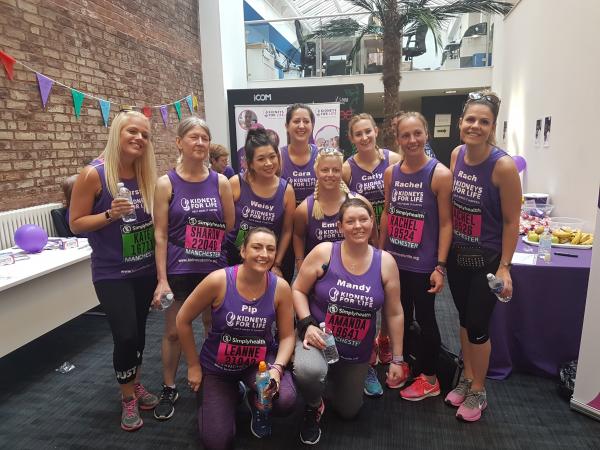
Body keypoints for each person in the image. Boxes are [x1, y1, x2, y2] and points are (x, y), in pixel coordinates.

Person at [292, 198, 409, 445]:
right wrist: (307, 324)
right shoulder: (324, 252)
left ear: (372, 222)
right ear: (340, 226)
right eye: (350, 221)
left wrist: (397, 359)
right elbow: (298, 290)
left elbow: (395, 312)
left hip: (357, 350)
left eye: (363, 219)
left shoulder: (385, 262)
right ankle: (314, 403)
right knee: (308, 372)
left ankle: (343, 377)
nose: (358, 226)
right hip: (319, 339)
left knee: (348, 412)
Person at [69, 110, 159, 431]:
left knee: (140, 335)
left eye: (145, 134)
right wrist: (110, 214)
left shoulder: (146, 174)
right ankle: (127, 398)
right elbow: (75, 223)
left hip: (145, 270)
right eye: (132, 131)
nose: (139, 138)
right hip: (112, 274)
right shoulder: (93, 174)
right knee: (125, 335)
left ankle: (135, 383)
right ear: (117, 133)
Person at [176, 227, 297, 449]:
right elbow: (182, 319)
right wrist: (193, 365)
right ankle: (232, 393)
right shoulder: (218, 280)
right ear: (243, 251)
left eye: (270, 249)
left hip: (258, 365)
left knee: (285, 400)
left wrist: (277, 369)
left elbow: (288, 336)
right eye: (257, 247)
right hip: (218, 369)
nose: (264, 254)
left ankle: (255, 401)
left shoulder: (280, 287)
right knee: (217, 442)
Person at [444, 91, 521, 422]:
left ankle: (479, 390)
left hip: (487, 258)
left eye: (484, 122)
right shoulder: (457, 154)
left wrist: (505, 267)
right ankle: (467, 377)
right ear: (461, 122)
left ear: (492, 127)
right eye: (471, 119)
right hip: (458, 254)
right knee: (463, 319)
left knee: (478, 324)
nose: (476, 126)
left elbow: (512, 221)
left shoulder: (502, 166)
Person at [152, 117, 235, 421]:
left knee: (213, 326)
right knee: (174, 331)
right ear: (179, 143)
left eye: (204, 138)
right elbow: (160, 234)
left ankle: (212, 378)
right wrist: (161, 279)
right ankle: (169, 386)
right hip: (179, 270)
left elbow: (229, 225)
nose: (199, 143)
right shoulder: (166, 183)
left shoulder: (221, 182)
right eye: (193, 137)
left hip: (213, 269)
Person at [379, 111, 453, 401]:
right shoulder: (391, 173)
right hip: (395, 261)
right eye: (405, 135)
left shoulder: (440, 174)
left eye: (417, 133)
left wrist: (440, 266)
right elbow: (387, 213)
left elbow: (446, 224)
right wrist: (380, 253)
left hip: (423, 265)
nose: (412, 140)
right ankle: (408, 363)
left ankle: (430, 378)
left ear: (426, 134)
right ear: (397, 139)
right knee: (401, 316)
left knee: (425, 318)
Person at [343, 113, 401, 388]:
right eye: (358, 133)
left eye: (368, 131)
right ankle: (369, 344)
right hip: (363, 236)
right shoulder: (347, 168)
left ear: (376, 131)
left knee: (391, 291)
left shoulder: (393, 159)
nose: (364, 137)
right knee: (366, 292)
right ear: (351, 138)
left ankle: (385, 338)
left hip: (393, 233)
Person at [293, 147, 376, 272]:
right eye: (325, 170)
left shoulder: (360, 203)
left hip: (355, 270)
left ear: (342, 171)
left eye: (336, 170)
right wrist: (300, 262)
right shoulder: (305, 209)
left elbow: (373, 238)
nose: (330, 174)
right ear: (316, 171)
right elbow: (298, 235)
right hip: (319, 274)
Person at [228, 128, 296, 281]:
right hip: (235, 258)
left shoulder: (287, 191)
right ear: (250, 163)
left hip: (267, 260)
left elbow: (287, 231)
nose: (268, 163)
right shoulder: (235, 183)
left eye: (272, 157)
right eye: (261, 159)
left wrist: (276, 263)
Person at [280, 103, 318, 205]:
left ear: (312, 125)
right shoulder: (278, 156)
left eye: (306, 121)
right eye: (296, 121)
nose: (301, 126)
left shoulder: (321, 156)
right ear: (287, 126)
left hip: (315, 214)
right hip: (286, 214)